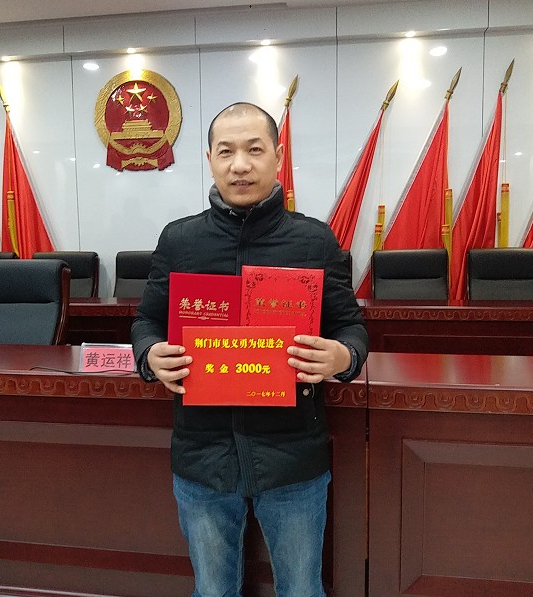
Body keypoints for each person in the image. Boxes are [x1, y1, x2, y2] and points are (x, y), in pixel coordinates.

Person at [131, 102, 368, 597]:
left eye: (254, 150)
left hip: (292, 457)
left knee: (301, 591)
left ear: (278, 156)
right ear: (210, 160)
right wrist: (149, 354)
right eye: (226, 152)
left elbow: (351, 327)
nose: (240, 165)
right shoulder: (180, 241)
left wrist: (342, 357)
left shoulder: (313, 240)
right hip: (203, 457)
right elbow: (146, 321)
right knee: (213, 592)